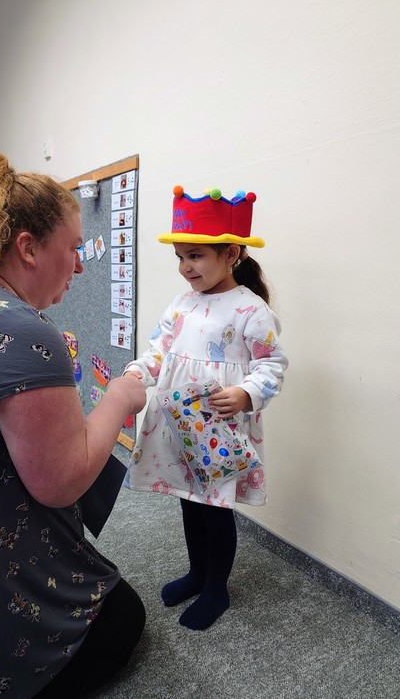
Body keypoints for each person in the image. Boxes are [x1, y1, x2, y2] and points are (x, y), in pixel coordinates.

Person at [0, 150, 147, 698]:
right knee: (122, 617)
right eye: (74, 248)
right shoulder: (17, 328)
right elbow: (61, 481)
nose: (81, 266)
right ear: (27, 247)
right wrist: (118, 397)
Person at [124, 185, 288, 630]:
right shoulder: (182, 304)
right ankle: (197, 573)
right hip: (180, 424)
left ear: (231, 253)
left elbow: (272, 364)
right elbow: (159, 350)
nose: (185, 267)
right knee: (189, 502)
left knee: (215, 507)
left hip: (219, 430)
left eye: (195, 255)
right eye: (180, 256)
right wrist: (137, 374)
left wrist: (247, 393)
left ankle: (217, 588)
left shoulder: (250, 310)